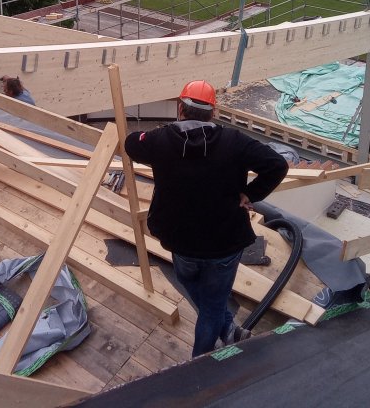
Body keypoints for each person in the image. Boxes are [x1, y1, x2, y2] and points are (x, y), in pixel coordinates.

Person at [124, 79, 289, 357]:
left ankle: (201, 357)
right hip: (224, 243)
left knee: (195, 287)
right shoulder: (235, 142)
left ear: (180, 109)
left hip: (180, 241)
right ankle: (219, 334)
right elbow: (277, 165)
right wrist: (249, 194)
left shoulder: (160, 140)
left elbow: (131, 142)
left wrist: (151, 139)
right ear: (213, 113)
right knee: (212, 307)